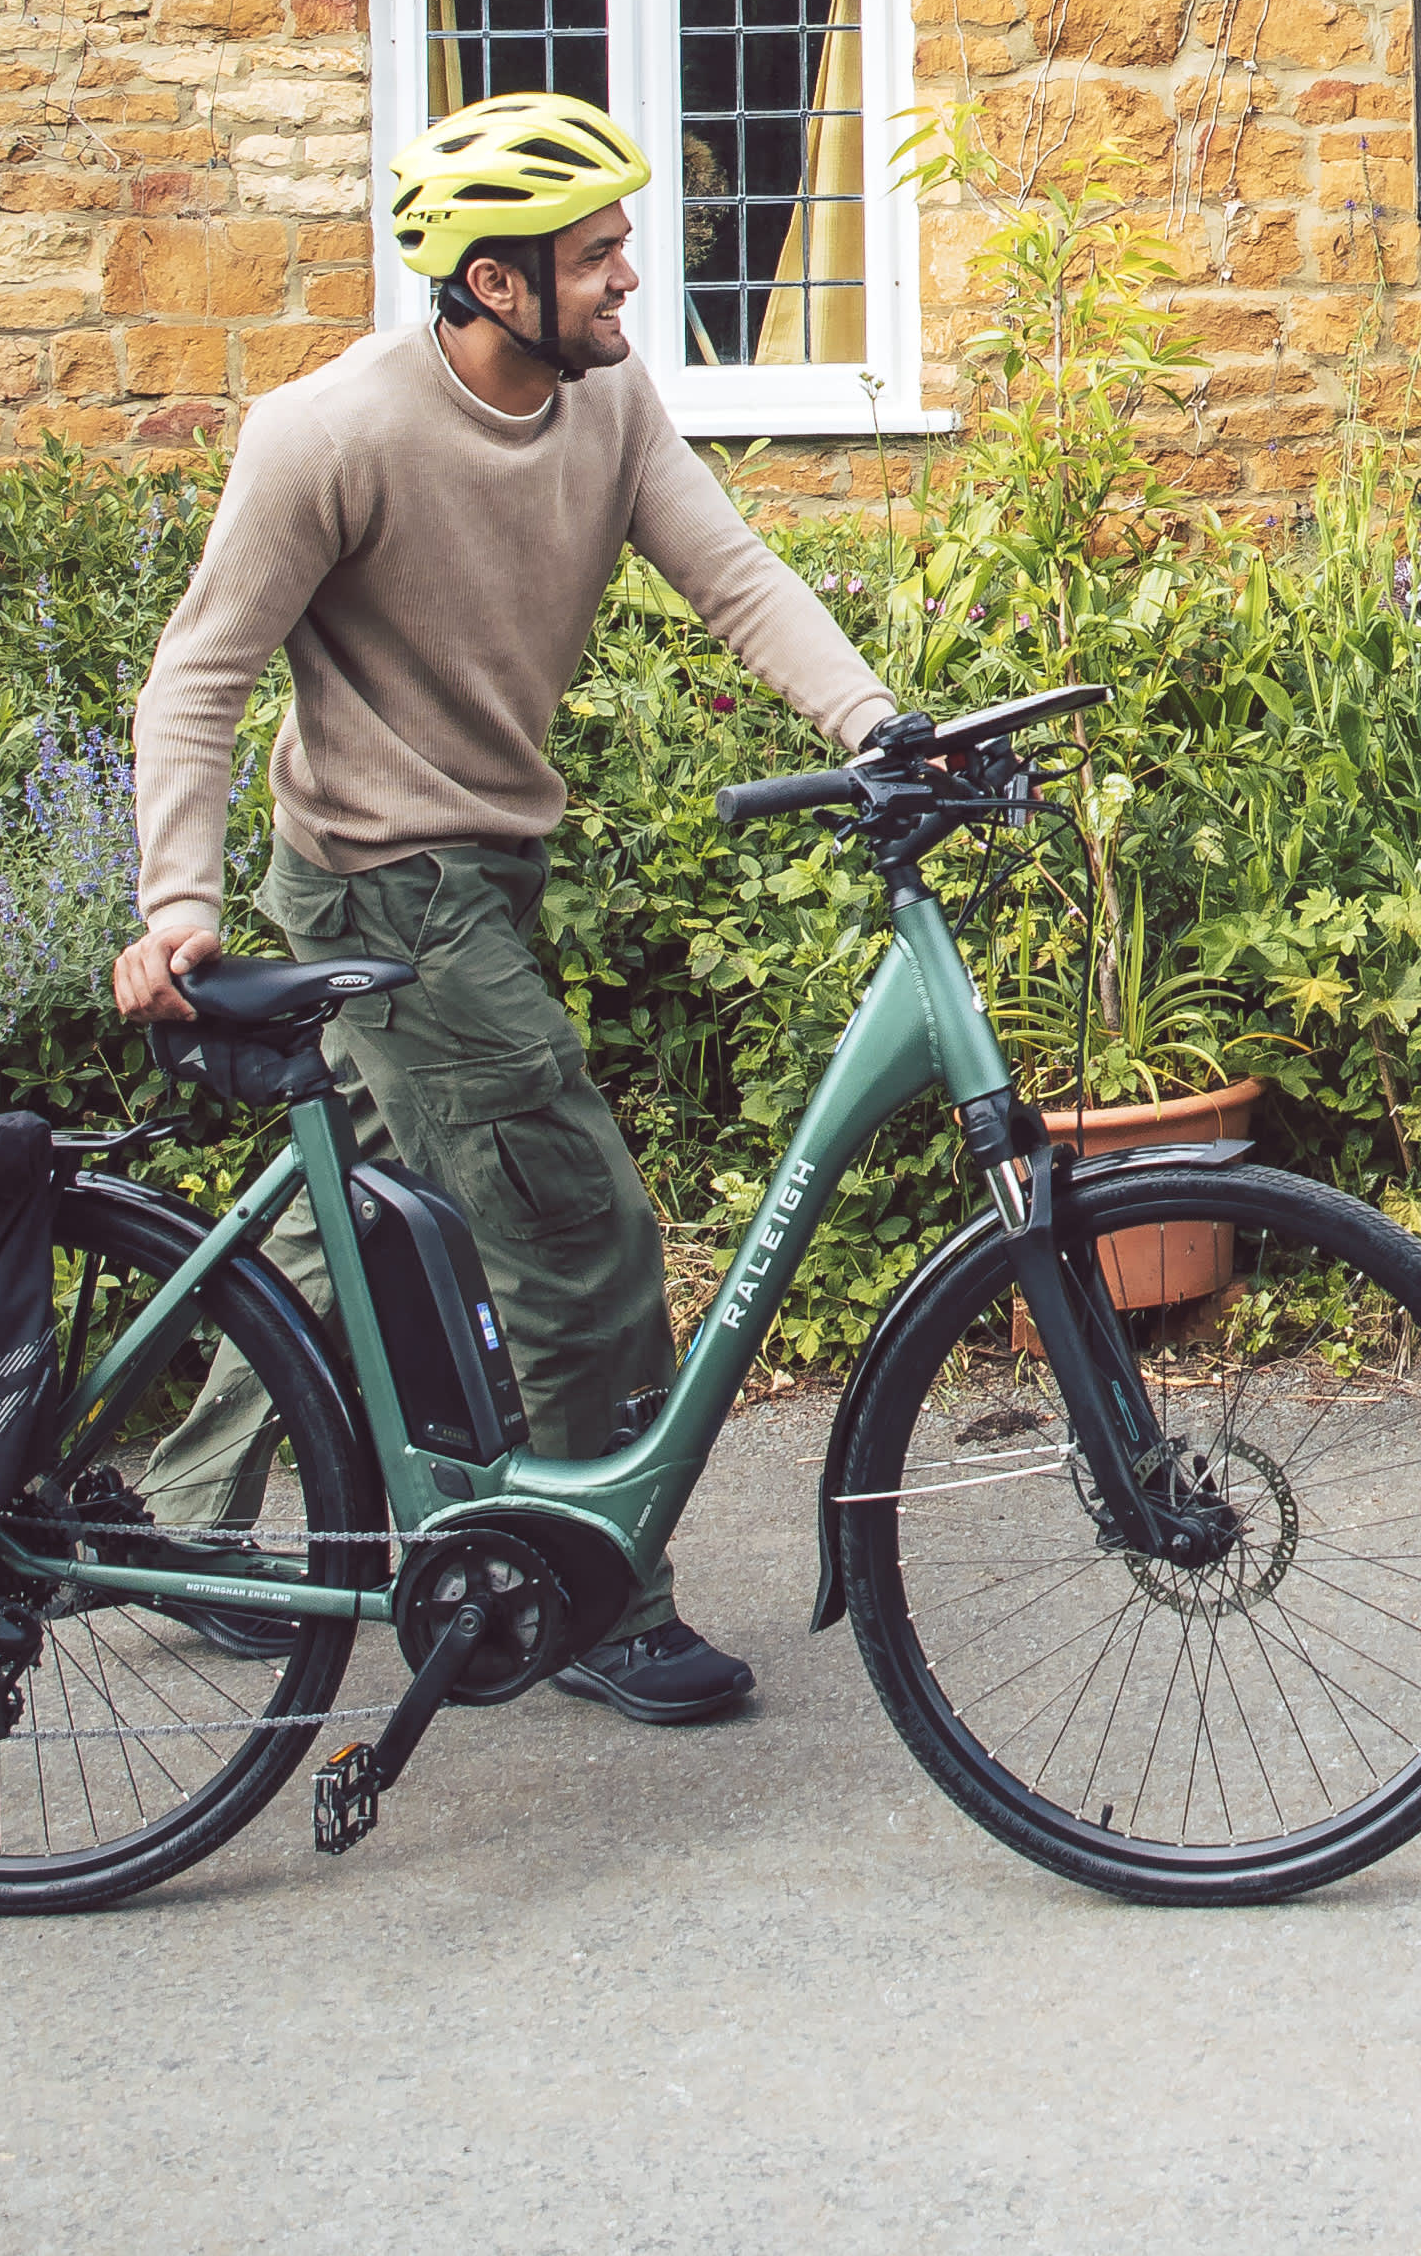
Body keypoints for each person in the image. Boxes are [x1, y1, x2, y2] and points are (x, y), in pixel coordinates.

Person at [114, 88, 906, 1724]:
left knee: (382, 1205)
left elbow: (733, 572)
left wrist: (880, 732)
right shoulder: (331, 435)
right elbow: (200, 675)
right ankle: (589, 1588)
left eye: (629, 245)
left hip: (484, 873)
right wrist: (176, 898)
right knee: (574, 1221)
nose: (637, 278)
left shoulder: (606, 409)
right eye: (601, 253)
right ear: (490, 281)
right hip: (378, 891)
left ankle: (185, 1519)